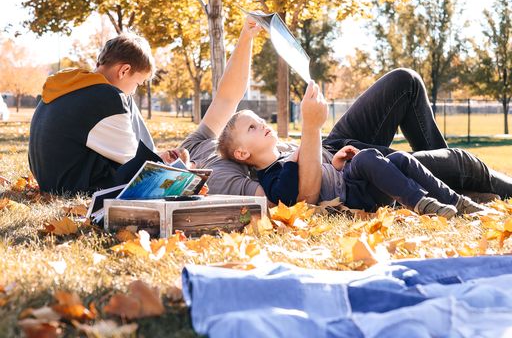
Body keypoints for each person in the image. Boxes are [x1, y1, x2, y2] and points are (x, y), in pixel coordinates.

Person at [181, 18, 512, 202]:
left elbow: (226, 98)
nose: (169, 154)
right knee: (460, 162)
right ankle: (451, 179)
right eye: (159, 160)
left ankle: (444, 180)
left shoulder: (196, 143)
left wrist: (246, 37)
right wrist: (311, 129)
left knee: (404, 82)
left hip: (336, 148)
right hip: (342, 173)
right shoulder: (216, 171)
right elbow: (299, 198)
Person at [218, 86, 484, 216]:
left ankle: (457, 202)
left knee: (400, 158)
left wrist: (334, 165)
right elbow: (289, 198)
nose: (262, 124)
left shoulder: (289, 157)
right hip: (351, 195)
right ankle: (420, 203)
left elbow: (319, 177)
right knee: (369, 157)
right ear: (242, 154)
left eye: (259, 120)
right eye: (252, 127)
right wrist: (293, 159)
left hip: (349, 180)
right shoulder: (268, 177)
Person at [29, 32, 175, 194]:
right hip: (73, 186)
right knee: (157, 181)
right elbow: (134, 164)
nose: (133, 91)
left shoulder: (70, 83)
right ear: (124, 70)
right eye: (137, 83)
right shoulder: (107, 97)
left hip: (48, 179)